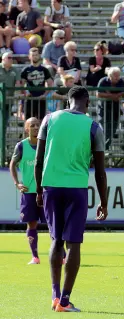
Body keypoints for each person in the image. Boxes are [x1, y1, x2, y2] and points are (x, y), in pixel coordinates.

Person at [34, 85, 108, 311]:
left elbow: (38, 161)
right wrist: (103, 202)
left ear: (68, 101)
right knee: (74, 243)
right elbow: (100, 170)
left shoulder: (49, 119)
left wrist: (38, 190)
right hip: (76, 189)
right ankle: (65, 300)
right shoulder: (93, 126)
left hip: (51, 187)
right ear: (87, 102)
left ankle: (55, 296)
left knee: (56, 240)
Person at [9, 118, 48, 265]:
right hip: (29, 192)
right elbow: (12, 164)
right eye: (32, 126)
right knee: (31, 224)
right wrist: (17, 183)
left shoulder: (45, 144)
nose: (36, 127)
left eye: (38, 125)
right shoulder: (21, 146)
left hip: (45, 191)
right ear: (26, 129)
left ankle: (62, 255)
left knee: (53, 225)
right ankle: (35, 257)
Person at [20, 47, 53, 120]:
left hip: (41, 99)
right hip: (29, 100)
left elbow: (50, 84)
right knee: (28, 122)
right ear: (29, 57)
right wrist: (25, 93)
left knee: (41, 121)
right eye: (33, 55)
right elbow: (21, 85)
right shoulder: (26, 70)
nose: (35, 57)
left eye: (36, 55)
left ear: (39, 56)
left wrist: (45, 95)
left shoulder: (44, 70)